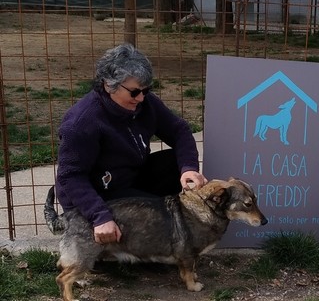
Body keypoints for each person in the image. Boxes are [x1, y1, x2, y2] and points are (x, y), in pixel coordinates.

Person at [54, 43, 208, 245]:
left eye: (146, 90)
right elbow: (70, 176)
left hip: (129, 177)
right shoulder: (81, 122)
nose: (142, 97)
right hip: (99, 192)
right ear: (109, 85)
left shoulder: (146, 103)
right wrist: (99, 216)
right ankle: (122, 243)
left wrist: (188, 168)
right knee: (158, 214)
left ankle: (149, 240)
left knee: (173, 164)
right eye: (135, 92)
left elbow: (179, 130)